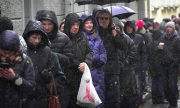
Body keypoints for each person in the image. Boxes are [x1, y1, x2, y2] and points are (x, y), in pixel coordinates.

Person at [96, 9, 137, 108]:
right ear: (98, 19)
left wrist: (116, 36)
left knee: (113, 100)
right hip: (99, 71)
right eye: (102, 18)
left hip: (112, 72)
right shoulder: (95, 32)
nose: (104, 20)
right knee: (100, 100)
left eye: (106, 18)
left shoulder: (114, 32)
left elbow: (124, 47)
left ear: (110, 20)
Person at [22, 20, 66, 108]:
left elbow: (54, 71)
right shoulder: (23, 51)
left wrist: (48, 75)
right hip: (26, 96)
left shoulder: (46, 50)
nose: (37, 41)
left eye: (39, 38)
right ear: (28, 36)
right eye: (34, 37)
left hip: (42, 95)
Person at [0, 30, 35, 108]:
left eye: (10, 52)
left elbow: (31, 88)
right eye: (4, 51)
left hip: (19, 104)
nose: (6, 55)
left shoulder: (25, 61)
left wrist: (14, 78)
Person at [64, 13, 93, 108]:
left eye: (77, 24)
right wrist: (77, 65)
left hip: (82, 78)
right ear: (68, 25)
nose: (76, 27)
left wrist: (86, 63)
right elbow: (65, 58)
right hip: (67, 79)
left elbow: (90, 52)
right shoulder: (63, 38)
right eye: (73, 24)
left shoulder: (83, 36)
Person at [81, 14, 107, 108]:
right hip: (88, 74)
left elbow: (103, 52)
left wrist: (102, 60)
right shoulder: (81, 38)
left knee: (99, 99)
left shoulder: (97, 37)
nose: (89, 25)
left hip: (99, 74)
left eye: (91, 22)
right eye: (87, 23)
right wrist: (94, 60)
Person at [124, 20, 146, 107]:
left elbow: (143, 52)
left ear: (133, 28)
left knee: (137, 85)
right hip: (127, 66)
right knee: (129, 87)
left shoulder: (139, 37)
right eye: (127, 27)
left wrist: (144, 64)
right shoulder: (123, 37)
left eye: (130, 27)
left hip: (137, 66)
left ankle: (138, 102)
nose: (129, 29)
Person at [160, 21, 180, 108]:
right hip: (164, 66)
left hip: (173, 66)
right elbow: (159, 51)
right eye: (167, 27)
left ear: (173, 28)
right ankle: (169, 99)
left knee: (172, 85)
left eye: (170, 27)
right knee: (165, 85)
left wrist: (175, 62)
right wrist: (158, 48)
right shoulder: (162, 37)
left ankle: (173, 103)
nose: (168, 29)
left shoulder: (177, 38)